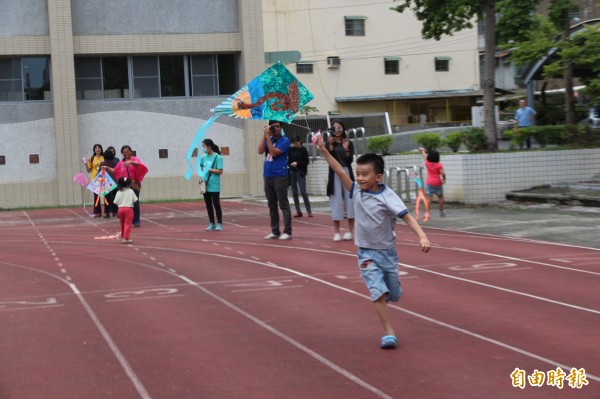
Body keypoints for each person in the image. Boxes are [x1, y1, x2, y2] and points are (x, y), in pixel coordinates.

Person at [316, 134, 431, 349]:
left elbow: (407, 216)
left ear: (378, 177)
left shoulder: (388, 197)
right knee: (378, 292)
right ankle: (389, 332)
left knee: (393, 293)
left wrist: (422, 236)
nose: (359, 178)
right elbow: (340, 170)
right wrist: (323, 149)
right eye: (357, 174)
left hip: (387, 252)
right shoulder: (355, 191)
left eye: (364, 175)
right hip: (366, 253)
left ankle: (391, 291)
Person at [258, 120, 292, 240]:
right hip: (268, 174)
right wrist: (265, 135)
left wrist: (268, 137)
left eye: (277, 126)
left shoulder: (285, 141)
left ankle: (287, 231)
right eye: (273, 127)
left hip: (280, 175)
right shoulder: (269, 139)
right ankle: (275, 230)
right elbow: (260, 150)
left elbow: (273, 152)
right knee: (272, 205)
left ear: (281, 128)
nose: (275, 129)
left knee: (283, 204)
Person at [325, 119, 355, 241]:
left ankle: (350, 231)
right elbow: (328, 158)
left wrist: (346, 149)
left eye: (339, 127)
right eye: (335, 128)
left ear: (343, 129)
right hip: (334, 173)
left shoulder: (348, 142)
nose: (337, 130)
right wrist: (331, 145)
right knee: (336, 201)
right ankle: (336, 232)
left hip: (346, 172)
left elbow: (349, 161)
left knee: (350, 200)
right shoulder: (328, 143)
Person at [104, 145, 148, 227]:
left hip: (134, 184)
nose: (126, 153)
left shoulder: (135, 159)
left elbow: (140, 165)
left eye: (127, 151)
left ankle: (136, 220)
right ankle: (127, 219)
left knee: (135, 202)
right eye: (124, 152)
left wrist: (131, 162)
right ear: (122, 153)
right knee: (125, 204)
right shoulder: (121, 162)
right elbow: (115, 171)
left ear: (131, 152)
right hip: (124, 185)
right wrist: (107, 168)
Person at [200, 139, 224, 231]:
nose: (203, 148)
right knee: (208, 205)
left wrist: (209, 169)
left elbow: (220, 171)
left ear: (209, 146)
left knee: (216, 204)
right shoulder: (203, 157)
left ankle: (220, 223)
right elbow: (201, 167)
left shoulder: (218, 157)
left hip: (214, 184)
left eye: (204, 146)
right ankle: (211, 223)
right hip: (205, 184)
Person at [288, 135, 312, 218]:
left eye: (296, 142)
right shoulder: (291, 150)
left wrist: (297, 163)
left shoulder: (304, 150)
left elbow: (306, 162)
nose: (295, 144)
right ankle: (298, 211)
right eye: (293, 143)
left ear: (300, 141)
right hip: (292, 172)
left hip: (301, 172)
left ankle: (309, 210)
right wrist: (290, 165)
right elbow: (289, 160)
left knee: (303, 191)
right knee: (294, 192)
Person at [419, 147, 446, 217]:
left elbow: (424, 156)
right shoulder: (439, 165)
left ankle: (427, 214)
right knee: (440, 197)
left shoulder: (427, 163)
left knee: (428, 199)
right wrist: (444, 179)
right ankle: (441, 212)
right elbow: (443, 173)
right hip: (437, 183)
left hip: (429, 183)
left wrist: (422, 150)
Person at [113, 177, 138, 244]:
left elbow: (115, 202)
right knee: (127, 224)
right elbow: (135, 200)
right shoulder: (131, 191)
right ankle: (126, 238)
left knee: (122, 223)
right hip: (128, 209)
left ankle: (123, 236)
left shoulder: (118, 192)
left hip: (120, 209)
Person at [99, 146, 119, 218]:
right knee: (115, 198)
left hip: (106, 183)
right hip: (115, 182)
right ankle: (115, 212)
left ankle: (107, 213)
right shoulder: (116, 162)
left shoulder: (102, 163)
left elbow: (99, 173)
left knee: (107, 198)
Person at [86, 144, 104, 217]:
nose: (97, 149)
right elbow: (88, 170)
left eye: (99, 148)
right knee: (96, 196)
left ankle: (108, 211)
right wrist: (85, 164)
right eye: (96, 148)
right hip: (94, 179)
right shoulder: (91, 158)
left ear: (101, 149)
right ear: (94, 150)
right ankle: (97, 212)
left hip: (104, 178)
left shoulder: (104, 157)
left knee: (106, 196)